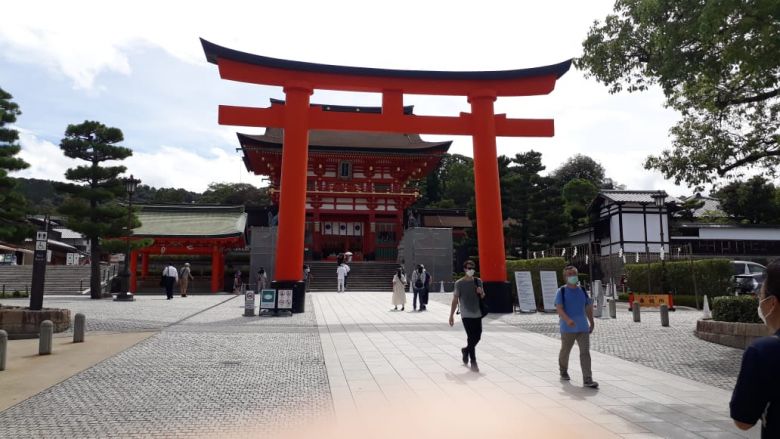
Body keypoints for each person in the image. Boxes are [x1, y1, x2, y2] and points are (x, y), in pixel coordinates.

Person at [730, 260, 780, 438]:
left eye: (761, 295)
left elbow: (743, 420)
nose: (759, 301)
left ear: (772, 303)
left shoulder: (765, 352)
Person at [555, 265, 598, 388]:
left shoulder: (583, 290)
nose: (572, 276)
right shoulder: (561, 291)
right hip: (568, 328)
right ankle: (563, 371)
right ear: (565, 277)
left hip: (583, 327)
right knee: (565, 351)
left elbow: (588, 307)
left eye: (573, 274)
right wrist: (568, 320)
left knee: (585, 352)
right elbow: (559, 309)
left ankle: (587, 379)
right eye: (569, 274)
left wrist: (592, 322)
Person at [449, 260, 485, 372]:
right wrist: (451, 315)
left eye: (472, 268)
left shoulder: (478, 281)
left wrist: (481, 292)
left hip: (477, 312)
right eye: (468, 268)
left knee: (478, 336)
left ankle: (466, 350)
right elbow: (455, 299)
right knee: (470, 337)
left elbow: (483, 296)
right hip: (466, 313)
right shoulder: (459, 283)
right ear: (464, 269)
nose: (470, 270)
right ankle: (473, 362)